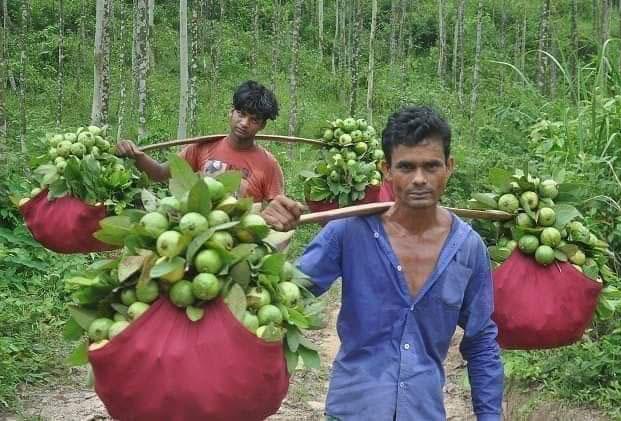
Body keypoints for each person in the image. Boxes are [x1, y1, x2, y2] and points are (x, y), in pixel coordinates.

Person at [297, 106, 504, 420]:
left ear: (449, 167)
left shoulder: (467, 248)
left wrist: (490, 417)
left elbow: (481, 341)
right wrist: (266, 233)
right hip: (353, 410)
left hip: (423, 411)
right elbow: (288, 293)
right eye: (406, 167)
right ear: (386, 170)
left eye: (431, 166)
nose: (419, 179)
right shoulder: (348, 232)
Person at [116, 80, 302, 232]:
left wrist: (285, 217)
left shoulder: (268, 164)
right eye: (241, 113)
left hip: (240, 241)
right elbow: (159, 173)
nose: (244, 123)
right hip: (195, 231)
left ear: (262, 126)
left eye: (254, 120)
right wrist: (136, 155)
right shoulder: (202, 148)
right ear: (231, 112)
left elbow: (275, 212)